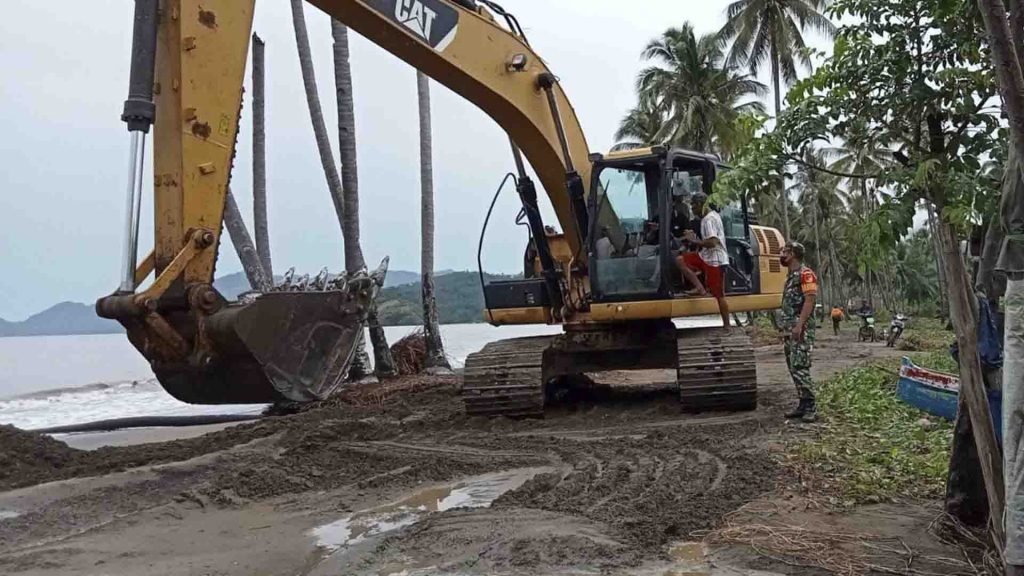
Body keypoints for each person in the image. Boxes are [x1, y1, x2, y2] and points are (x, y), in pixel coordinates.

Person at [676, 191, 731, 330]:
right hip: (706, 255)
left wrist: (693, 240)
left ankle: (727, 325)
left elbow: (712, 242)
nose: (692, 210)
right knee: (681, 260)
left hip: (715, 260)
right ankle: (700, 288)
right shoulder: (709, 217)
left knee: (719, 294)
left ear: (701, 205)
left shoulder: (709, 220)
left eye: (694, 206)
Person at [779, 241, 819, 422]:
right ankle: (802, 403)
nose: (781, 255)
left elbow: (809, 301)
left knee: (801, 366)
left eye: (784, 252)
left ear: (793, 254)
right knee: (793, 366)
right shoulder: (791, 276)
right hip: (790, 329)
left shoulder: (806, 274)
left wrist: (799, 325)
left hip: (800, 329)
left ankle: (811, 405)